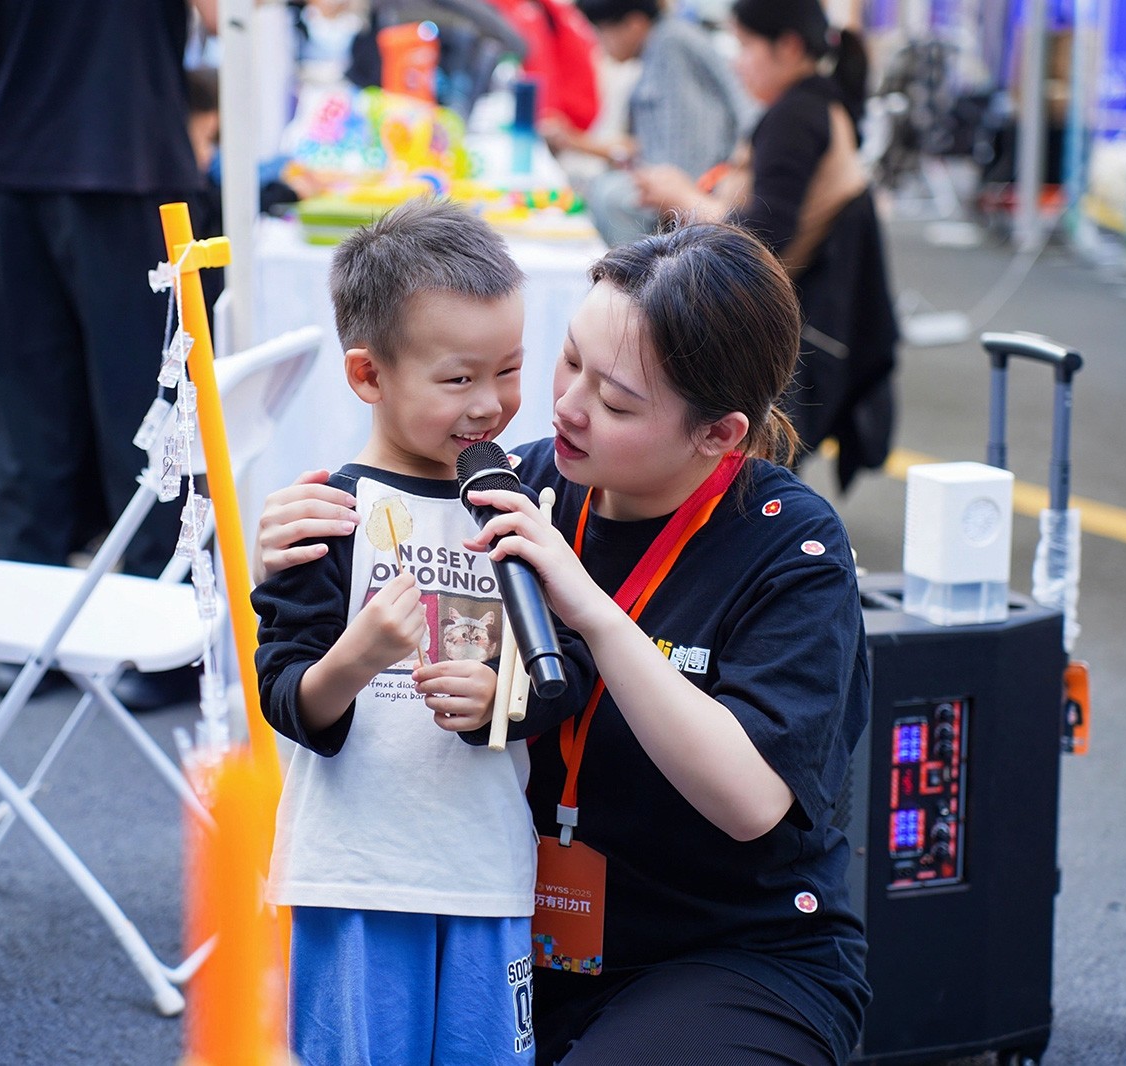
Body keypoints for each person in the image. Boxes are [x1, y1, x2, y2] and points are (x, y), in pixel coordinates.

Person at [255, 221, 871, 1064]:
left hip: (724, 954)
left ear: (719, 434)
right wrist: (297, 539)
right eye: (568, 358)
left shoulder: (788, 544)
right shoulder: (513, 486)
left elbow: (750, 801)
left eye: (616, 402)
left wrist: (595, 613)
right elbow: (347, 641)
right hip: (504, 920)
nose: (567, 407)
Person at [250, 198, 592, 1065]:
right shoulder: (327, 515)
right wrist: (356, 658)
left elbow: (569, 669)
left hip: (487, 876)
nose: (491, 404)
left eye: (508, 370)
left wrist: (498, 702)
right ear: (369, 376)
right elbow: (285, 697)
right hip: (352, 877)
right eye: (457, 379)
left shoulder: (523, 505)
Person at [0, 0, 217, 707]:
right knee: (90, 407)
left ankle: (137, 633)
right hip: (76, 147)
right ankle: (66, 630)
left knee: (112, 407)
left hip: (83, 146)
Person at [631, 0, 897, 490]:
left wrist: (683, 197)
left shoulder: (797, 114)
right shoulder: (817, 104)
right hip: (817, 319)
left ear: (788, 47)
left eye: (745, 45)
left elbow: (764, 235)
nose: (736, 62)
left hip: (798, 329)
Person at [544, 0, 748, 246]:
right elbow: (653, 144)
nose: (599, 42)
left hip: (698, 194)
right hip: (688, 184)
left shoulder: (671, 47)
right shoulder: (667, 40)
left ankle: (637, 272)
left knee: (610, 196)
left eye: (601, 30)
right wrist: (575, 142)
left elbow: (685, 161)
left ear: (634, 24)